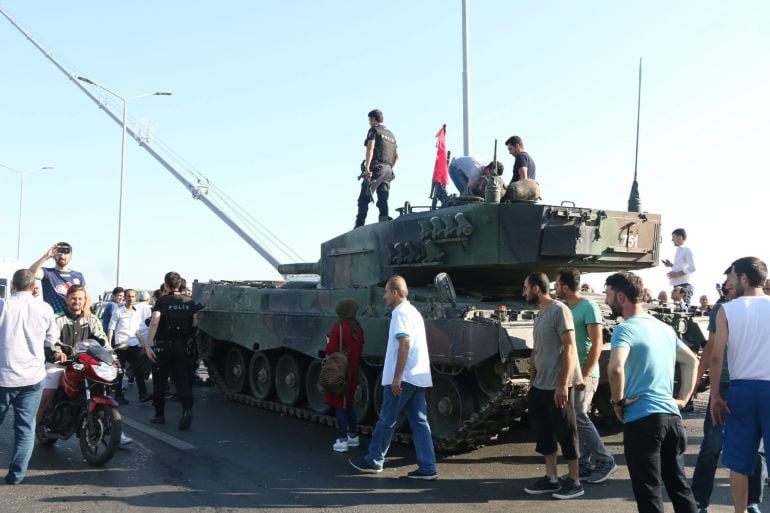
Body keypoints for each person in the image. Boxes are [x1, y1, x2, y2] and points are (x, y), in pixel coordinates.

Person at [605, 271, 698, 513]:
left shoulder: (624, 330)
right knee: (679, 487)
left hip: (643, 421)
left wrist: (618, 403)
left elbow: (615, 368)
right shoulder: (665, 329)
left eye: (608, 294)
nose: (606, 300)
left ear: (621, 297)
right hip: (672, 420)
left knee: (649, 494)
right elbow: (691, 361)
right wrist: (682, 399)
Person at [349, 275, 437, 480]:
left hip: (404, 377)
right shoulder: (414, 311)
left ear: (395, 293)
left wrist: (397, 377)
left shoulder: (400, 313)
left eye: (386, 292)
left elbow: (404, 344)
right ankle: (428, 467)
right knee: (420, 422)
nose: (384, 296)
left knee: (387, 419)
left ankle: (374, 460)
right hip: (417, 376)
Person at [692, 278, 764, 513]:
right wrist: (697, 382)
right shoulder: (721, 310)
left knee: (750, 452)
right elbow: (711, 349)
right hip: (727, 385)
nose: (728, 286)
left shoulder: (735, 309)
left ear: (742, 280)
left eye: (731, 281)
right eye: (727, 283)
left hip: (739, 387)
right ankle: (700, 501)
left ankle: (750, 502)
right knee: (713, 446)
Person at [710, 257, 770, 513]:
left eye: (733, 275)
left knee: (738, 462)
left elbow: (715, 354)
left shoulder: (728, 309)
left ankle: (740, 511)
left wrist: (714, 395)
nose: (730, 281)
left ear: (744, 278)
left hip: (741, 389)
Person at [522, 272, 584, 499]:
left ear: (536, 289)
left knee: (566, 432)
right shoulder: (540, 315)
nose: (524, 292)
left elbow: (569, 347)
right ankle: (552, 478)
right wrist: (532, 380)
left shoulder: (560, 310)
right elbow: (536, 349)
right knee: (544, 434)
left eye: (526, 288)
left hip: (558, 386)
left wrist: (562, 384)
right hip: (540, 385)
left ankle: (575, 481)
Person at [555, 268, 618, 484]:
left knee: (580, 416)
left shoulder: (588, 306)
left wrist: (585, 374)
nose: (555, 287)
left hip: (584, 372)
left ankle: (606, 460)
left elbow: (597, 344)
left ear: (565, 286)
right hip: (569, 372)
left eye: (557, 283)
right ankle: (583, 464)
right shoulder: (564, 308)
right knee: (575, 419)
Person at [0, 269, 56, 484]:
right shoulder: (45, 309)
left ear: (12, 286)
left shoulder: (4, 305)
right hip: (32, 377)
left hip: (3, 376)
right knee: (25, 427)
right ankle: (16, 475)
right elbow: (52, 340)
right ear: (34, 288)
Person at [145, 272, 201, 430]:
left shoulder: (161, 301)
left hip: (163, 347)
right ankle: (187, 410)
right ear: (180, 285)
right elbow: (196, 323)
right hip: (182, 347)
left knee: (160, 382)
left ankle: (159, 415)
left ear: (166, 285)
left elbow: (154, 322)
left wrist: (148, 344)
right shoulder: (190, 302)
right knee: (182, 381)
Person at [325, 299, 365, 452]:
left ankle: (342, 440)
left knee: (340, 406)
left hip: (341, 371)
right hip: (353, 370)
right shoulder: (358, 328)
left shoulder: (338, 327)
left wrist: (328, 342)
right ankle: (353, 436)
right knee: (348, 404)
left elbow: (331, 350)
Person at [354, 109, 399, 228]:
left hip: (377, 167)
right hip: (388, 170)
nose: (369, 122)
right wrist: (388, 167)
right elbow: (397, 156)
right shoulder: (391, 135)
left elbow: (370, 148)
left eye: (369, 120)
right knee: (383, 196)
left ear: (374, 119)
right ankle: (384, 219)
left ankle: (359, 225)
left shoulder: (373, 130)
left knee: (364, 197)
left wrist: (367, 168)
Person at [108, 289, 150, 404]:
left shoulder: (136, 313)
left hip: (133, 344)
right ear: (125, 298)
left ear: (135, 298)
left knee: (138, 369)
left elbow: (136, 330)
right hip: (121, 345)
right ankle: (118, 395)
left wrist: (142, 342)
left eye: (133, 296)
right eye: (128, 296)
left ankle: (143, 394)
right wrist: (109, 345)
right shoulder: (118, 312)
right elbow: (111, 328)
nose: (131, 299)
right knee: (120, 371)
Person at [29, 242, 87, 315]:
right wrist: (46, 256)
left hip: (74, 320)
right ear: (53, 256)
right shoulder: (47, 273)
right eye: (59, 252)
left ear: (71, 257)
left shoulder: (78, 276)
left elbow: (87, 297)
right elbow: (30, 273)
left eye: (66, 253)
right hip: (54, 319)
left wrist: (87, 311)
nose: (62, 256)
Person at [663, 228, 696, 306]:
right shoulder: (679, 250)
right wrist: (671, 265)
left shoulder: (687, 250)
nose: (672, 240)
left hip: (684, 286)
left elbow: (693, 267)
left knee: (683, 309)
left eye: (673, 237)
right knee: (677, 309)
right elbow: (680, 267)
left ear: (680, 237)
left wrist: (677, 274)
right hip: (677, 285)